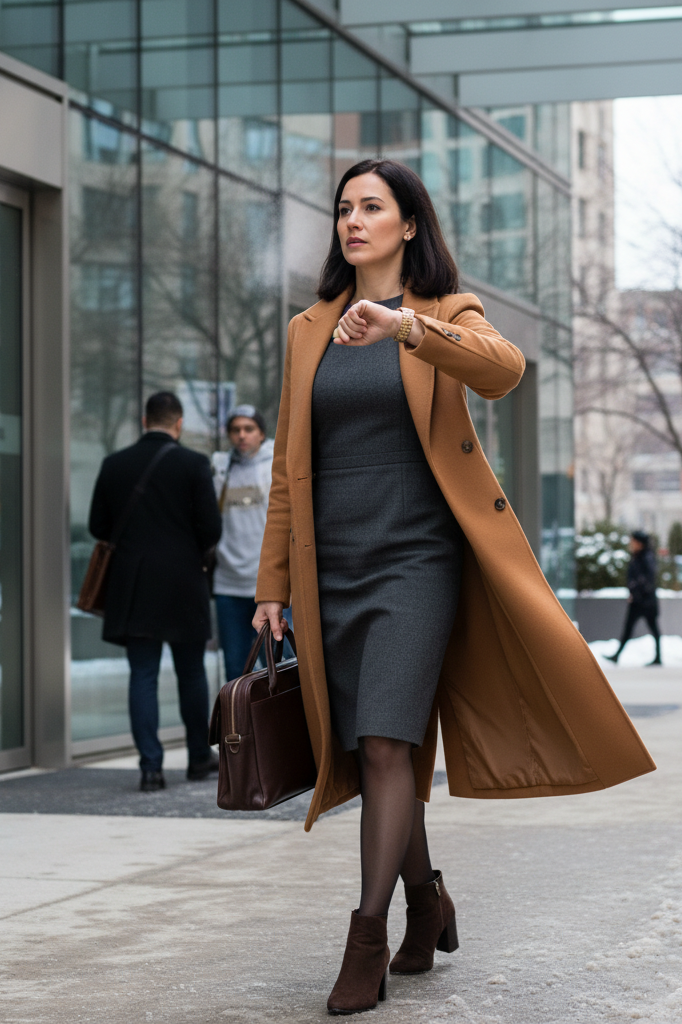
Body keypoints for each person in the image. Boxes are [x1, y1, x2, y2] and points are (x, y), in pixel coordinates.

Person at [253, 158, 655, 1015]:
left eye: (372, 207)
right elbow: (291, 471)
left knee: (392, 742)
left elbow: (502, 369)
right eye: (343, 209)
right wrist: (273, 582)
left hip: (419, 561)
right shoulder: (307, 328)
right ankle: (428, 899)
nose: (353, 221)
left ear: (408, 224)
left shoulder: (443, 312)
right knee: (368, 751)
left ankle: (365, 933)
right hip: (336, 569)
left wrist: (406, 332)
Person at [89, 391, 222, 792]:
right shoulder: (195, 464)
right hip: (183, 582)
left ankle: (151, 768)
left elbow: (98, 525)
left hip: (133, 585)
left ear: (144, 421)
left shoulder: (114, 464)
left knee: (142, 674)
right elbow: (212, 530)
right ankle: (199, 756)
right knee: (191, 672)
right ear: (178, 424)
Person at [211, 405, 292, 681]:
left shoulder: (275, 466)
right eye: (235, 430)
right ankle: (242, 725)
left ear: (261, 433)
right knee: (236, 670)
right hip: (229, 584)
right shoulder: (220, 469)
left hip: (268, 585)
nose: (241, 436)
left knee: (280, 668)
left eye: (248, 429)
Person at [607, 530, 662, 666]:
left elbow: (648, 579)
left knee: (651, 629)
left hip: (644, 601)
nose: (630, 543)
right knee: (631, 628)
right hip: (641, 600)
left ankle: (658, 657)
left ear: (639, 543)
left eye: (633, 541)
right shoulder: (639, 556)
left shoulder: (645, 557)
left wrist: (636, 591)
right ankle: (618, 655)